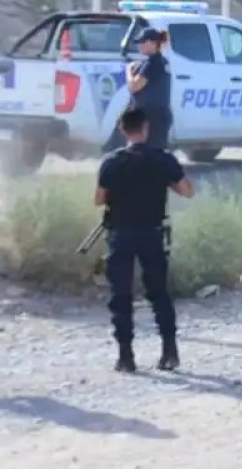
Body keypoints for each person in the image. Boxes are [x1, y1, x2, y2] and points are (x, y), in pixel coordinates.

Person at [95, 107, 193, 373]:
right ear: (146, 128)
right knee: (159, 293)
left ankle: (126, 357)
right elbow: (187, 191)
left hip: (121, 235)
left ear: (123, 130)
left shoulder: (112, 162)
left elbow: (99, 200)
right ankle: (169, 352)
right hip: (151, 233)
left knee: (121, 296)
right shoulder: (162, 159)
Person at [125, 28, 173, 150]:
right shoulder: (160, 61)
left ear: (153, 43)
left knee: (146, 154)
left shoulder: (153, 63)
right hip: (156, 116)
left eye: (143, 42)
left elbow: (134, 86)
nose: (139, 45)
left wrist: (129, 71)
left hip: (151, 119)